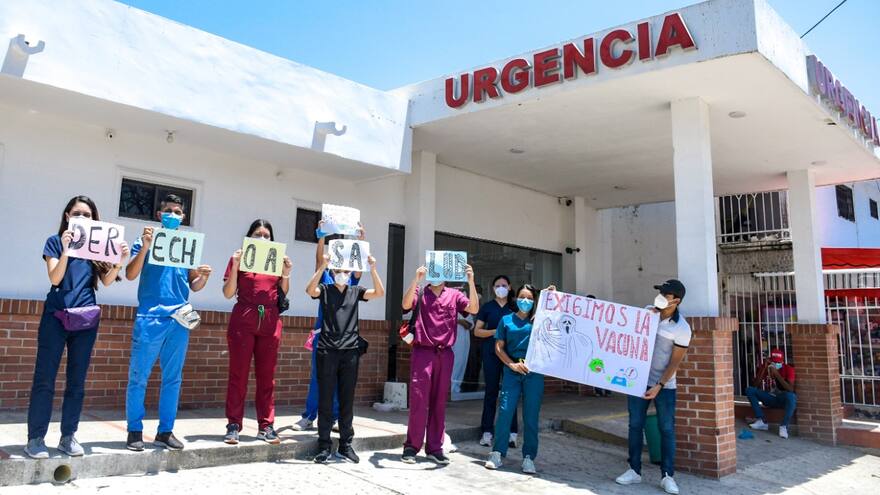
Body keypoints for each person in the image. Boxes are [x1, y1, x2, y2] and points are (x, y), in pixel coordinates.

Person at [24, 196, 130, 458]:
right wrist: (66, 249)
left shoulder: (99, 246)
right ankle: (36, 438)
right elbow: (55, 277)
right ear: (67, 216)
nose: (82, 218)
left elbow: (106, 281)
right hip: (56, 316)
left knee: (77, 382)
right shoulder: (54, 241)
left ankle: (68, 437)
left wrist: (120, 260)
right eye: (77, 213)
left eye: (87, 214)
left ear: (95, 219)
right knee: (44, 380)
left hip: (85, 319)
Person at [124, 194, 212, 452]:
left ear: (183, 217)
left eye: (177, 211)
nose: (173, 214)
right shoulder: (145, 239)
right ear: (159, 215)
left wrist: (204, 277)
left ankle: (165, 431)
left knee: (173, 379)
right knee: (139, 377)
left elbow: (193, 285)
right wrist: (147, 246)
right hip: (149, 317)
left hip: (179, 320)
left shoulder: (187, 246)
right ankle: (134, 430)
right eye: (168, 210)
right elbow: (130, 274)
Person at [306, 250, 385, 464]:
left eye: (346, 270)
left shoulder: (355, 291)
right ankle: (323, 445)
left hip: (350, 352)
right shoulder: (325, 289)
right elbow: (309, 290)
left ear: (351, 272)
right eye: (339, 270)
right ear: (333, 271)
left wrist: (373, 268)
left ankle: (345, 445)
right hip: (327, 350)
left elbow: (379, 292)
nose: (342, 273)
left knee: (347, 400)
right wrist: (323, 266)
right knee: (325, 398)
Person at [616, 279, 690, 495]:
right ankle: (634, 470)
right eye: (660, 292)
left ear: (676, 300)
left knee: (666, 429)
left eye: (665, 294)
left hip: (664, 386)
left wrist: (659, 385)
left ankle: (667, 476)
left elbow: (675, 362)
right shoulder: (646, 315)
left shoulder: (681, 328)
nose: (660, 296)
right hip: (637, 381)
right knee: (635, 425)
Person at [222, 219, 293, 445]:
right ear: (249, 236)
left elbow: (282, 292)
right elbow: (227, 292)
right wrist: (235, 265)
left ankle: (266, 425)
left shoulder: (275, 261)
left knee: (266, 377)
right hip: (244, 317)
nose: (262, 238)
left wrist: (287, 273)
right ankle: (234, 424)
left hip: (270, 319)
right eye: (257, 234)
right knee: (238, 374)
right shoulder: (240, 258)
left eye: (266, 235)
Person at [400, 265, 479, 464]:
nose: (436, 276)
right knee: (419, 400)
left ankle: (435, 447)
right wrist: (416, 279)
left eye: (441, 271)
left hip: (445, 354)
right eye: (433, 271)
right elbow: (406, 304)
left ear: (447, 274)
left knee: (439, 402)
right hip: (423, 352)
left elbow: (474, 309)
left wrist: (471, 281)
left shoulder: (454, 294)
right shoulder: (421, 292)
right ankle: (412, 446)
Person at [293, 223, 364, 432]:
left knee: (338, 380)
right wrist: (322, 237)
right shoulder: (325, 278)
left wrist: (360, 239)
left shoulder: (351, 280)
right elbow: (318, 261)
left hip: (345, 339)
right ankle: (308, 416)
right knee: (318, 377)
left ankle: (333, 418)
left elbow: (359, 265)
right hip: (323, 336)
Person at [484, 284, 549, 474]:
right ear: (516, 298)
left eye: (530, 298)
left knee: (531, 415)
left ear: (534, 301)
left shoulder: (539, 321)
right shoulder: (506, 320)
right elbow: (498, 348)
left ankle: (529, 457)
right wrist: (511, 365)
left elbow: (557, 315)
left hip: (534, 372)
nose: (525, 301)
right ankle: (497, 453)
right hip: (512, 370)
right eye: (522, 297)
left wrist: (551, 294)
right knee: (505, 411)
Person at [474, 275, 518, 448]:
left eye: (504, 285)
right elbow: (477, 331)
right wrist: (495, 332)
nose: (501, 288)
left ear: (509, 287)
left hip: (509, 356)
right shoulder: (487, 307)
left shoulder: (514, 308)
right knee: (491, 392)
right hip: (491, 354)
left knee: (510, 393)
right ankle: (487, 432)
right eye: (497, 285)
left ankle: (512, 432)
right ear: (493, 288)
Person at [746, 348, 796, 439]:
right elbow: (755, 385)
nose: (776, 364)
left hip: (782, 399)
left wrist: (777, 374)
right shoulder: (766, 367)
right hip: (770, 398)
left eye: (778, 362)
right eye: (774, 362)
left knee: (791, 396)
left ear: (782, 361)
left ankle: (783, 426)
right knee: (750, 390)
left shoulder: (788, 369)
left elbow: (790, 389)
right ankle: (761, 421)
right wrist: (764, 368)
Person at [451, 285, 474, 395]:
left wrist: (457, 320)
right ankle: (449, 388)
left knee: (460, 363)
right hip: (449, 340)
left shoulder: (465, 309)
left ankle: (455, 388)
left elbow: (469, 325)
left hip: (462, 341)